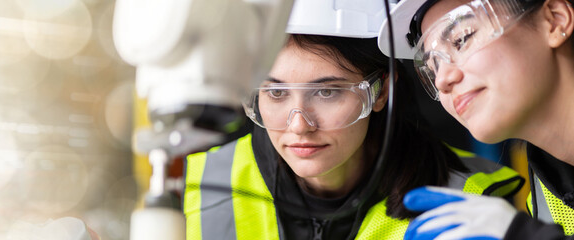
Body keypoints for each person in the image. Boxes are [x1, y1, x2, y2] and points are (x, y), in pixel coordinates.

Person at [182, 1, 523, 239]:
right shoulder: (194, 184)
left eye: (327, 93)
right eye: (276, 93)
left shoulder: (472, 198)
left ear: (381, 92)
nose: (299, 125)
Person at [379, 0, 574, 239]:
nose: (442, 80)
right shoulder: (550, 190)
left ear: (555, 20)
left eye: (463, 39)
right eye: (433, 67)